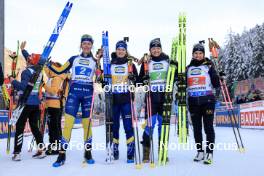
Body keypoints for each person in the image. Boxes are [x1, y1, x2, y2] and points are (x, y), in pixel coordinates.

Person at [48, 34, 99, 167]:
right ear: (81, 45)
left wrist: (101, 63)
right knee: (68, 124)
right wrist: (47, 65)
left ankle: (88, 153)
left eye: (89, 43)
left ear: (91, 45)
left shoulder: (95, 61)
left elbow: (101, 77)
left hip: (88, 93)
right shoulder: (73, 58)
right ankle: (61, 154)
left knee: (87, 125)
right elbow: (60, 70)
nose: (86, 45)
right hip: (74, 93)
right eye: (84, 43)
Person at [139, 38, 175, 163]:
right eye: (153, 48)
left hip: (165, 98)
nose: (156, 50)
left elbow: (174, 77)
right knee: (150, 125)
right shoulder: (146, 63)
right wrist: (143, 79)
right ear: (150, 50)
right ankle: (146, 153)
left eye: (158, 48)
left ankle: (162, 151)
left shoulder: (167, 61)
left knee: (162, 126)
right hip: (151, 98)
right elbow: (139, 80)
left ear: (161, 49)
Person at [186, 42, 220, 165]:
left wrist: (219, 76)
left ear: (203, 54)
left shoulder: (209, 66)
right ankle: (200, 151)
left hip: (207, 101)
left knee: (208, 128)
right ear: (192, 54)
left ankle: (209, 152)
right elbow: (182, 84)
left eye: (200, 53)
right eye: (196, 53)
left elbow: (216, 84)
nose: (198, 55)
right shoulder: (187, 68)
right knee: (196, 129)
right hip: (193, 102)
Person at [9, 52, 45, 161]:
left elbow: (23, 87)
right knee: (35, 127)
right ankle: (41, 150)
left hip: (25, 102)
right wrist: (23, 50)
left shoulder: (26, 72)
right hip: (35, 103)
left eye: (29, 58)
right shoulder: (40, 72)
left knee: (20, 127)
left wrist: (13, 81)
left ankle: (17, 153)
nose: (27, 59)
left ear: (31, 61)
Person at [108, 40, 138, 163]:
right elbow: (103, 79)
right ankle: (114, 150)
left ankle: (130, 153)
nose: (120, 51)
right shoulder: (110, 64)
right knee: (114, 127)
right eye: (118, 49)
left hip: (126, 99)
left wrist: (133, 79)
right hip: (113, 99)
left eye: (123, 49)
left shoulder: (130, 64)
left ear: (126, 51)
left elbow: (137, 80)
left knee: (128, 127)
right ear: (116, 50)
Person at [43, 62, 69, 155]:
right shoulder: (56, 76)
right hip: (54, 104)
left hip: (53, 104)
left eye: (52, 67)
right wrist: (44, 64)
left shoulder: (57, 78)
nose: (49, 70)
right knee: (55, 126)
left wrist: (43, 84)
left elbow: (53, 91)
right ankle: (56, 145)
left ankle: (55, 147)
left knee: (53, 127)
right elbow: (46, 70)